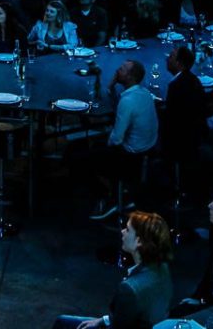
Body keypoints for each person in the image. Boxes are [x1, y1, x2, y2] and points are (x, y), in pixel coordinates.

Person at [69, 211, 174, 329]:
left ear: (139, 242)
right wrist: (104, 320)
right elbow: (135, 314)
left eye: (128, 230)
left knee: (63, 322)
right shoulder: (163, 267)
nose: (122, 232)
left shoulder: (129, 289)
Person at [93, 60, 158, 221]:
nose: (117, 70)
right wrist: (111, 87)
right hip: (148, 147)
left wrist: (106, 145)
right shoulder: (144, 93)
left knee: (89, 156)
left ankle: (112, 197)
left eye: (122, 69)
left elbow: (116, 139)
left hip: (131, 155)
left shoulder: (127, 101)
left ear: (130, 77)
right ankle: (119, 191)